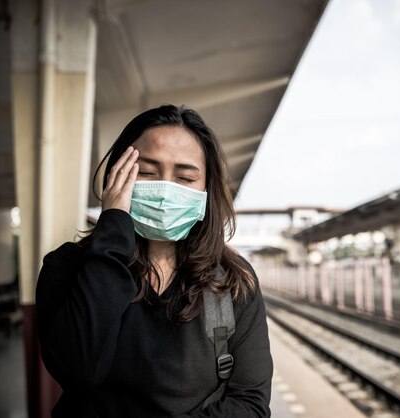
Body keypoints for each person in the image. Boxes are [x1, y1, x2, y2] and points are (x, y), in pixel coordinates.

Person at [35, 105, 273, 417]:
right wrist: (113, 229)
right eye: (146, 172)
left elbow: (251, 404)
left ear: (206, 191)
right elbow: (80, 370)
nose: (165, 191)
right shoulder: (67, 267)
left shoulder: (232, 283)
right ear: (116, 174)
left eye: (185, 177)